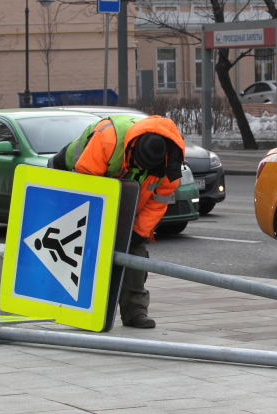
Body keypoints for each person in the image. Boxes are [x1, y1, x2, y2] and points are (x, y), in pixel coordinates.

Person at [49, 114, 185, 329]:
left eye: (146, 169)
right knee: (84, 247)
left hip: (125, 200)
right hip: (73, 178)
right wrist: (96, 229)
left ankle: (135, 312)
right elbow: (85, 190)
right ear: (131, 150)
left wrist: (138, 232)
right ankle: (82, 309)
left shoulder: (170, 167)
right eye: (138, 164)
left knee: (137, 251)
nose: (141, 170)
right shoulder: (108, 141)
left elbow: (158, 202)